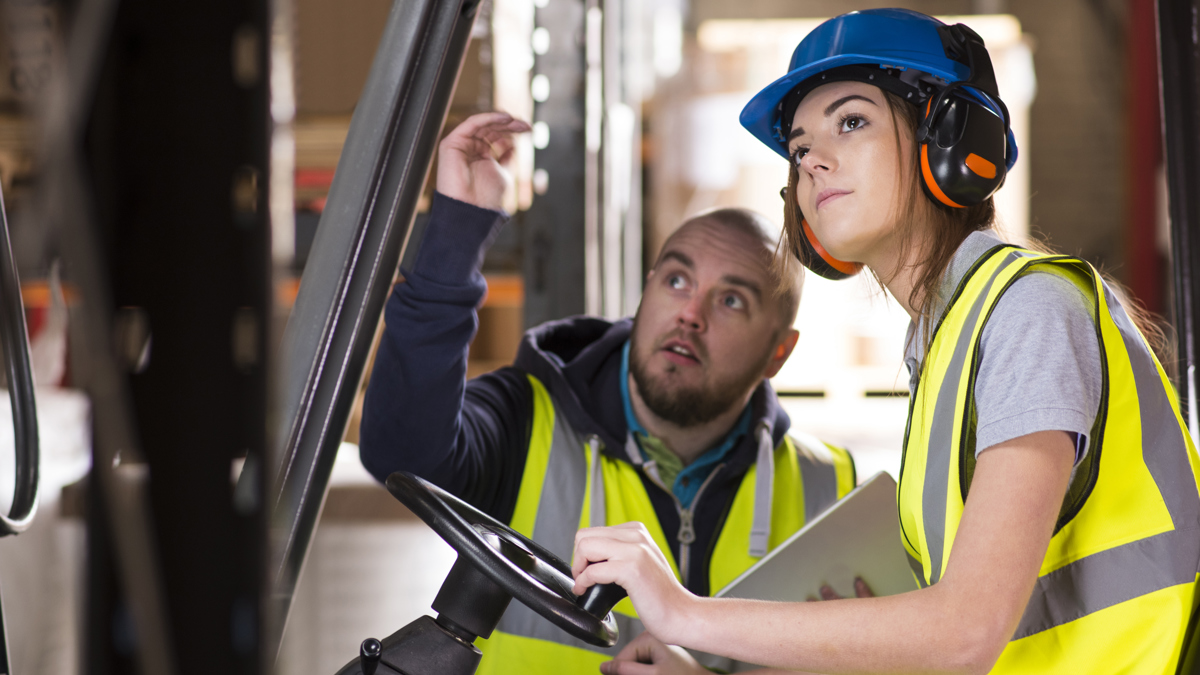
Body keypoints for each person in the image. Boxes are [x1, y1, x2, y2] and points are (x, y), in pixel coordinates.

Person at [570, 8, 1200, 675]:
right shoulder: (947, 346)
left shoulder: (1029, 311)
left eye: (851, 121)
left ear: (950, 138)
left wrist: (685, 613)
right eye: (799, 148)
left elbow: (965, 634)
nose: (813, 160)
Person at [358, 112, 856, 674]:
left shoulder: (829, 492)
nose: (690, 314)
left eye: (731, 300)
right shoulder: (525, 419)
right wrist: (456, 232)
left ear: (778, 353)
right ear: (646, 292)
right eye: (676, 280)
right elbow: (400, 452)